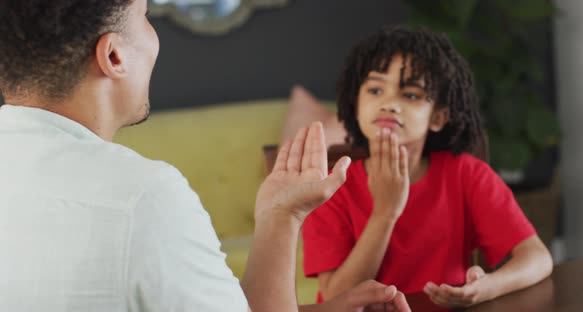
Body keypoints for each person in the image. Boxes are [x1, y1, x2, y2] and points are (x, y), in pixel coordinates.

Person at [0, 1, 410, 311]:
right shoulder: (144, 197)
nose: (152, 37)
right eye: (145, 16)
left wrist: (279, 218)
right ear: (114, 57)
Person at [301, 24, 554, 309]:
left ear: (438, 117)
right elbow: (336, 300)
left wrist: (486, 288)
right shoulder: (330, 186)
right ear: (355, 105)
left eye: (410, 95)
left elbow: (538, 258)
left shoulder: (466, 175)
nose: (389, 104)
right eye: (375, 89)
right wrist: (385, 213)